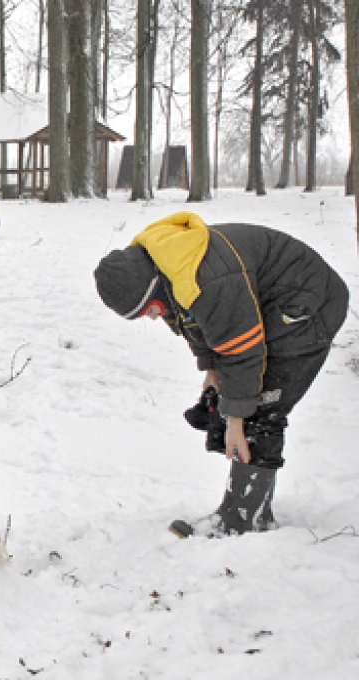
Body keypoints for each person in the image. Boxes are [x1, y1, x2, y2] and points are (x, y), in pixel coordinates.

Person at [93, 212, 349, 538]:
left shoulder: (205, 279)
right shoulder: (169, 268)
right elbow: (196, 324)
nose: (155, 317)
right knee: (244, 398)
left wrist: (238, 422)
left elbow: (242, 352)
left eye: (150, 310)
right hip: (268, 304)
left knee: (261, 408)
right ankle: (245, 512)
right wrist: (212, 371)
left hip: (307, 309)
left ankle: (244, 521)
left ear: (153, 289)